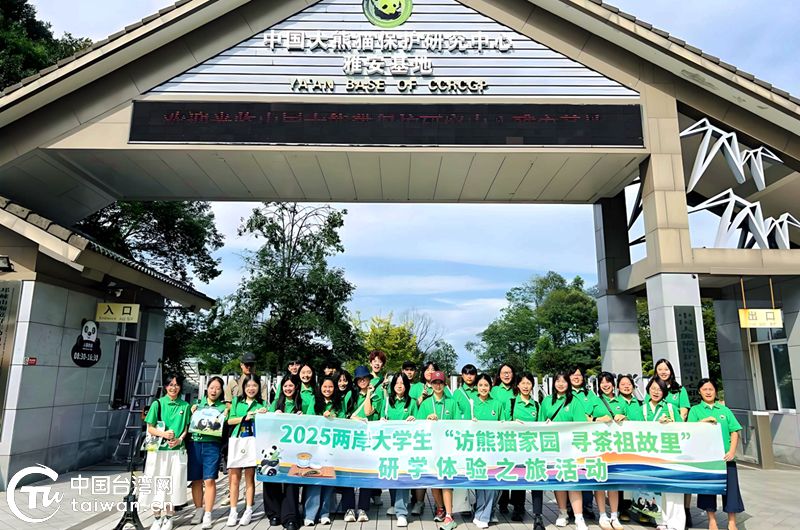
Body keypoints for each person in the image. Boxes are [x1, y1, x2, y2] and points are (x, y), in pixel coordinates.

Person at [689, 379, 744, 530]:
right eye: (704, 389)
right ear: (699, 392)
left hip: (726, 458)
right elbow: (690, 430)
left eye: (711, 389)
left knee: (731, 490)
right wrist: (703, 421)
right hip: (706, 459)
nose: (708, 392)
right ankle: (712, 520)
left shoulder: (724, 410)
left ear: (715, 391)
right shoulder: (695, 410)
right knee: (708, 489)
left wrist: (732, 451)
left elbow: (735, 431)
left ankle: (732, 521)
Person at [539, 371, 589, 530]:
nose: (560, 384)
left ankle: (579, 517)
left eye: (564, 381)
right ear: (553, 383)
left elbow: (580, 425)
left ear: (568, 383)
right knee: (559, 480)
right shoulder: (547, 401)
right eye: (557, 381)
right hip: (553, 448)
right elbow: (539, 424)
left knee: (573, 481)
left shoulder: (574, 401)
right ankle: (563, 513)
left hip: (571, 448)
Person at [141, 374, 191, 530]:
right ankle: (157, 517)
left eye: (176, 385)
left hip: (176, 451)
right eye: (170, 384)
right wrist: (164, 434)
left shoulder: (185, 406)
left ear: (180, 387)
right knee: (156, 482)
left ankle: (169, 517)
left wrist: (179, 440)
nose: (173, 387)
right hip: (158, 451)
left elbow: (185, 429)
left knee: (173, 484)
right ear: (165, 386)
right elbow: (150, 428)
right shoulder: (158, 404)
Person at [415, 370, 461, 530]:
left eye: (440, 382)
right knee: (434, 481)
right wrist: (427, 420)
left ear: (445, 384)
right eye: (434, 382)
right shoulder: (426, 403)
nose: (438, 385)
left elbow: (458, 425)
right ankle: (440, 508)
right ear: (430, 384)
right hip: (431, 448)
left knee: (446, 482)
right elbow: (419, 426)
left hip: (447, 448)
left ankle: (449, 515)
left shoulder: (452, 402)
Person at [654, 358, 694, 526]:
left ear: (671, 371)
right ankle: (661, 514)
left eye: (666, 369)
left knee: (680, 473)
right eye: (660, 369)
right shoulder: (654, 388)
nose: (663, 372)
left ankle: (685, 510)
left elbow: (684, 412)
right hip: (658, 440)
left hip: (676, 435)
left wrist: (674, 423)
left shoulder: (679, 390)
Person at [341, 365, 384, 523]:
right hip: (351, 440)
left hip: (369, 440)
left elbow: (367, 412)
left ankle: (363, 508)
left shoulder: (377, 396)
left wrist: (369, 394)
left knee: (366, 474)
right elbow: (343, 415)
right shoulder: (350, 395)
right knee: (348, 472)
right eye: (359, 379)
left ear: (369, 379)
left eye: (365, 378)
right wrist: (353, 418)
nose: (362, 381)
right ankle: (349, 508)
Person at [642, 377, 685, 530]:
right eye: (653, 388)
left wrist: (671, 424)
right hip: (651, 453)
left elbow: (682, 428)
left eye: (659, 389)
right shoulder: (643, 408)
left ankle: (676, 523)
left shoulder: (670, 407)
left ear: (664, 392)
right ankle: (661, 521)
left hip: (670, 453)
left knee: (673, 489)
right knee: (657, 488)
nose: (656, 392)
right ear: (648, 390)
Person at [187, 376, 229, 529]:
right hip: (195, 444)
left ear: (221, 391)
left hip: (212, 445)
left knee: (210, 479)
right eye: (212, 387)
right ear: (207, 388)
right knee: (196, 479)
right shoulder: (197, 405)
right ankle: (199, 510)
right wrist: (191, 412)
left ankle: (208, 514)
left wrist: (226, 416)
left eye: (218, 388)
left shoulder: (223, 408)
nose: (214, 391)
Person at [590, 372, 630, 530]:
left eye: (608, 382)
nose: (605, 385)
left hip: (617, 447)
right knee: (600, 481)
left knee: (613, 482)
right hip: (598, 446)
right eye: (602, 382)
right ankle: (602, 515)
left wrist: (625, 418)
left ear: (613, 384)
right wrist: (597, 419)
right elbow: (584, 418)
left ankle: (614, 515)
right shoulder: (594, 400)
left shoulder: (622, 401)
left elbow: (634, 423)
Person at [303, 375, 345, 526]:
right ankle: (310, 514)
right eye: (325, 386)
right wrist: (322, 417)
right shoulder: (315, 400)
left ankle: (325, 513)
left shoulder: (339, 402)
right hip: (316, 447)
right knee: (314, 479)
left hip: (332, 446)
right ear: (320, 387)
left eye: (331, 386)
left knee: (328, 479)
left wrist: (332, 417)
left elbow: (343, 421)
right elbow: (308, 420)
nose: (328, 389)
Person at [227, 374, 267, 527]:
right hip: (237, 441)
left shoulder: (262, 404)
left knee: (250, 478)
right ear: (243, 387)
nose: (251, 389)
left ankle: (249, 509)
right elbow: (230, 420)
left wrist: (263, 414)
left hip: (253, 442)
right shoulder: (236, 401)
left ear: (259, 387)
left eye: (254, 386)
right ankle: (233, 511)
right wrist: (246, 417)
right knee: (234, 478)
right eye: (248, 386)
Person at [469, 373, 509, 529]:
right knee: (481, 483)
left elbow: (503, 424)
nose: (483, 388)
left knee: (493, 484)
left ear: (490, 387)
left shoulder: (497, 404)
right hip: (477, 449)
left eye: (486, 385)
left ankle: (486, 513)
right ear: (476, 387)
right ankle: (482, 514)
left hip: (495, 449)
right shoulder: (472, 403)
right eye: (480, 385)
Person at [264, 374, 303, 530]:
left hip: (294, 448)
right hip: (274, 447)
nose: (288, 388)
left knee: (291, 480)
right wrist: (272, 415)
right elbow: (265, 421)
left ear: (296, 387)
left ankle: (290, 516)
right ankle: (274, 513)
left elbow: (312, 419)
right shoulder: (275, 403)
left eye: (291, 386)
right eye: (285, 386)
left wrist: (303, 417)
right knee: (270, 476)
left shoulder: (302, 403)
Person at [381, 372, 418, 527]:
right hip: (389, 446)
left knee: (403, 477)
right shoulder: (386, 402)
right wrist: (382, 421)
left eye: (402, 383)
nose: (399, 386)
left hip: (406, 446)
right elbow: (382, 419)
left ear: (407, 386)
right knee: (392, 475)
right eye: (396, 383)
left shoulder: (412, 402)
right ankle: (395, 504)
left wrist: (414, 420)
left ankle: (401, 512)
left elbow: (419, 423)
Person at [509, 371, 545, 529]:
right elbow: (504, 423)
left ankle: (538, 515)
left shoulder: (537, 405)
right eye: (522, 383)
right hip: (515, 447)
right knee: (519, 477)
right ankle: (518, 507)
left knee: (536, 478)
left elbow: (541, 425)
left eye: (528, 383)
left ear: (532, 386)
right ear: (517, 385)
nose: (525, 386)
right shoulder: (511, 403)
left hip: (533, 447)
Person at [569, 366, 598, 519]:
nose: (576, 377)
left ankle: (587, 505)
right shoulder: (565, 394)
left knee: (585, 471)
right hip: (567, 441)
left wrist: (592, 418)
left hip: (585, 440)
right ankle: (569, 506)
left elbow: (602, 413)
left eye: (579, 375)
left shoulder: (590, 394)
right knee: (569, 471)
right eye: (573, 375)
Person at [492, 363, 516, 515]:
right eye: (503, 372)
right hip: (499, 434)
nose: (506, 375)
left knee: (517, 468)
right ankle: (503, 502)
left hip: (516, 434)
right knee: (503, 468)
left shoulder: (517, 389)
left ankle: (518, 505)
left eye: (509, 372)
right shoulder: (494, 390)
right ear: (499, 375)